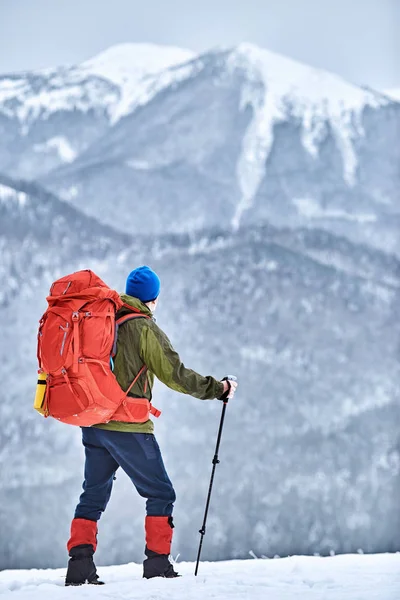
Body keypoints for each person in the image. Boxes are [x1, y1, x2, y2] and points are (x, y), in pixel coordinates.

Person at [65, 266, 238, 585]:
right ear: (153, 298)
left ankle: (79, 565)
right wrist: (219, 388)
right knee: (160, 492)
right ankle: (157, 564)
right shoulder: (143, 327)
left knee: (93, 492)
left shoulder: (106, 319)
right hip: (128, 426)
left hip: (93, 423)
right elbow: (176, 375)